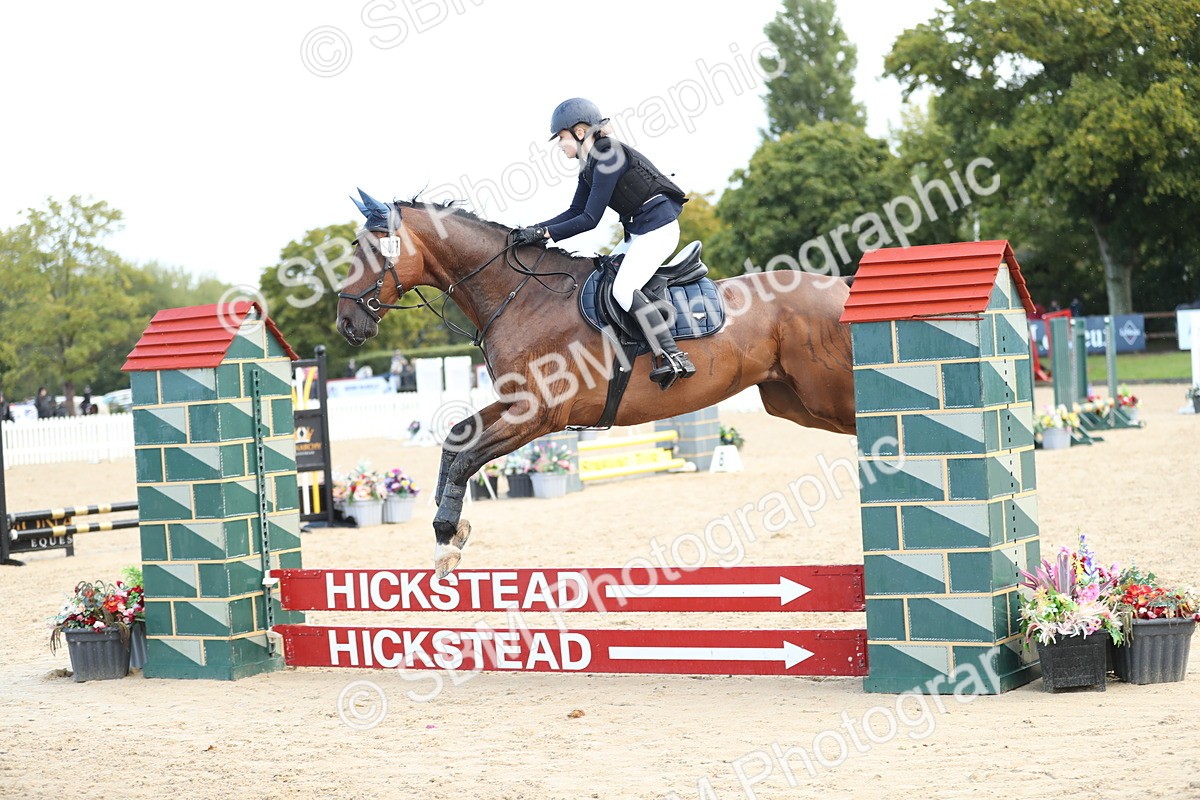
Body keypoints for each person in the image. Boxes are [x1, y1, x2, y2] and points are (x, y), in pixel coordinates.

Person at [512, 98, 695, 386]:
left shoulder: (608, 155)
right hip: (640, 233)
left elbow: (589, 219)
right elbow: (573, 212)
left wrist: (545, 235)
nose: (559, 145)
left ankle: (673, 355)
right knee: (604, 278)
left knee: (623, 289)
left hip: (659, 231)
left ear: (580, 132)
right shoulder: (590, 165)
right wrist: (536, 229)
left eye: (561, 137)